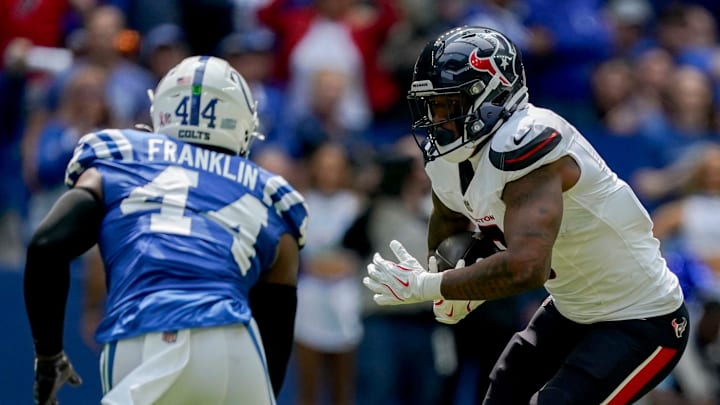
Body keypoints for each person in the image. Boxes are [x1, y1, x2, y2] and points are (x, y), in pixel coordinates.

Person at [363, 26, 689, 404]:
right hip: (572, 308)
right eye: (431, 106)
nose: (437, 119)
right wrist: (447, 271)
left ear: (491, 95)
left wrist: (430, 287)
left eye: (446, 105)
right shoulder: (451, 159)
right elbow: (451, 222)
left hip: (641, 318)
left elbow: (526, 268)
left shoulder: (528, 141)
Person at [23, 55, 308, 405]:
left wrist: (49, 354)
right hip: (239, 346)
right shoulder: (269, 193)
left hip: (148, 332)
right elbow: (277, 325)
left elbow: (46, 244)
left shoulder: (120, 156)